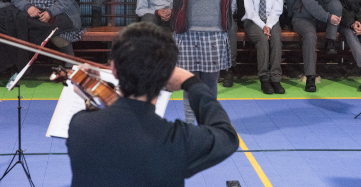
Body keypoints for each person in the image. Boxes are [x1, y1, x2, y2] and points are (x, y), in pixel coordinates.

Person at [143, 0, 295, 123]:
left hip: (214, 36)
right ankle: (191, 125)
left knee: (209, 85)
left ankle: (208, 123)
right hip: (186, 36)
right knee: (190, 84)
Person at [67, 21, 239, 187]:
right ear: (167, 76)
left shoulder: (80, 125)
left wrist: (92, 91)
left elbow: (120, 126)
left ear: (113, 69)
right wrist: (192, 82)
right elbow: (227, 136)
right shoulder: (177, 140)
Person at [292, 0, 342, 92]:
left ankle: (330, 42)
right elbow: (309, 3)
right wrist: (327, 17)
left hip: (323, 20)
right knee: (310, 36)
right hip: (304, 18)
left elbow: (334, 0)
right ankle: (310, 77)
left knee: (336, 4)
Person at [242, 0, 285, 94]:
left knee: (276, 40)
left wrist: (269, 25)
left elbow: (277, 11)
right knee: (262, 40)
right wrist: (263, 26)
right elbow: (250, 11)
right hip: (253, 20)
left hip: (271, 20)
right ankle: (264, 78)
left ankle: (276, 78)